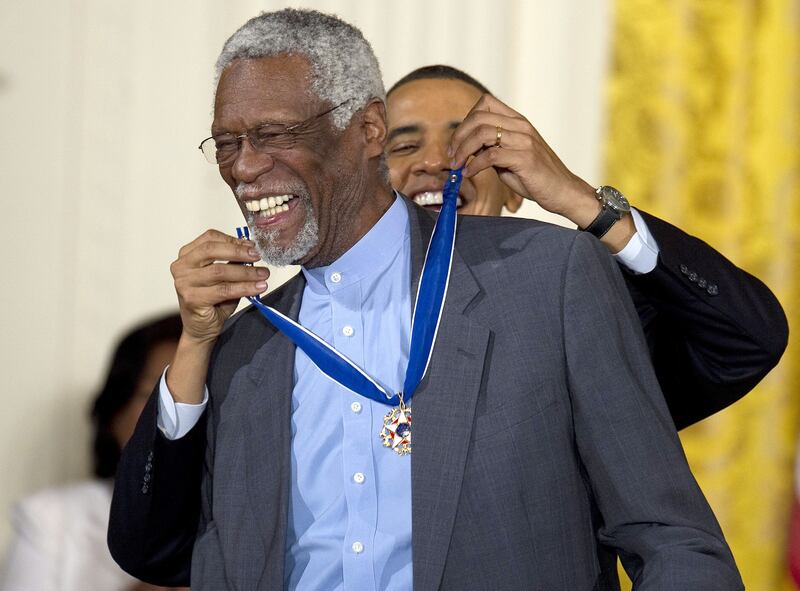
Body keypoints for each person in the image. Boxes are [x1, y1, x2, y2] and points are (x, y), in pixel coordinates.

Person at [109, 9, 745, 590]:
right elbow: (155, 550)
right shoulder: (246, 345)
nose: (244, 168)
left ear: (367, 128)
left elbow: (673, 540)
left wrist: (586, 203)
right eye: (226, 143)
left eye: (274, 135)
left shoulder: (549, 281)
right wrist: (195, 348)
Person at [384, 65, 788, 429]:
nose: (436, 161)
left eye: (469, 144)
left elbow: (747, 340)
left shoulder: (582, 312)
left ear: (512, 191)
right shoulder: (326, 309)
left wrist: (582, 202)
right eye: (404, 147)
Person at [1, 313, 187, 591]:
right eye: (160, 395)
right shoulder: (53, 520)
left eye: (202, 395)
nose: (180, 418)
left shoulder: (258, 521)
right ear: (114, 413)